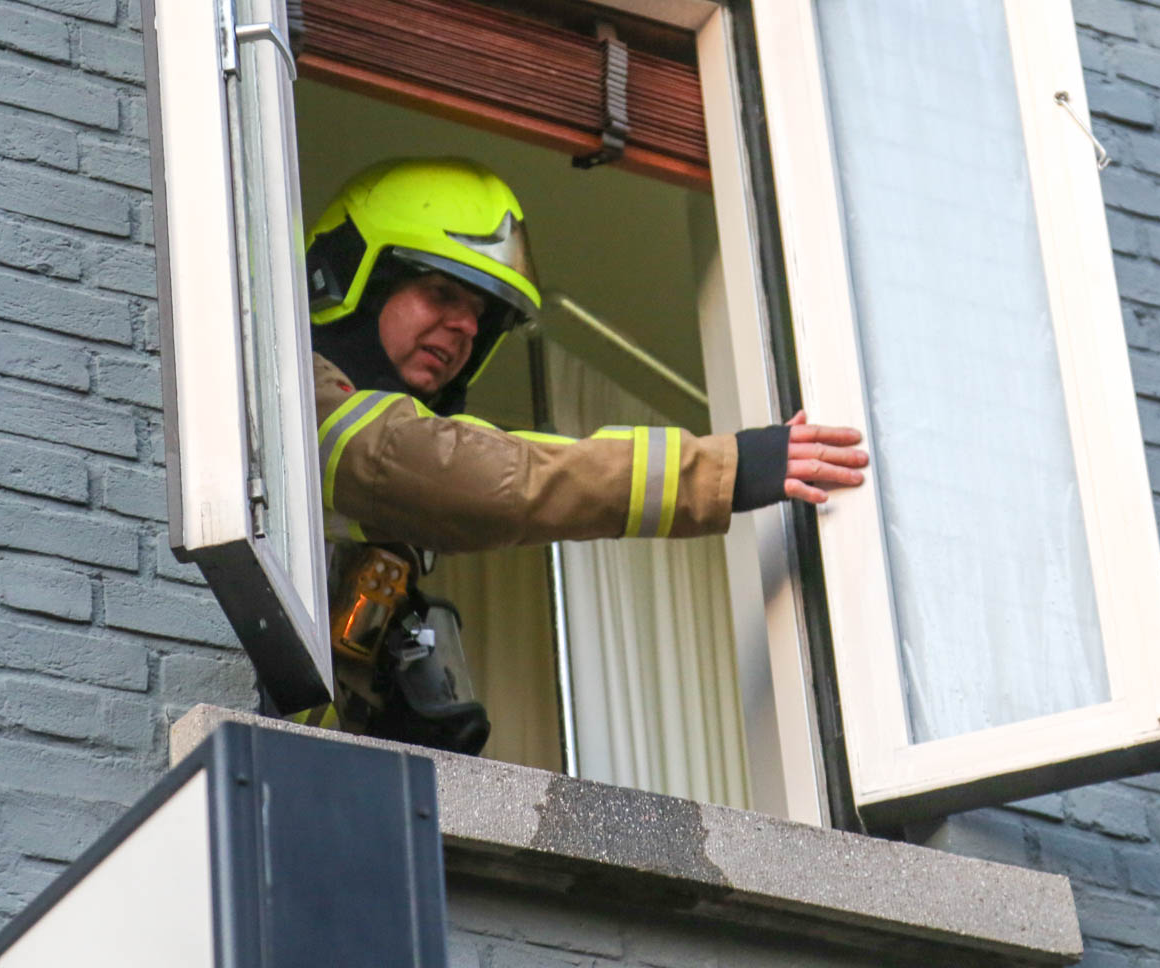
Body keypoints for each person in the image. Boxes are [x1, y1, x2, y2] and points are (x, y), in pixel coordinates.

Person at [296, 157, 867, 742]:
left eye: (480, 316)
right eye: (441, 293)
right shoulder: (294, 399)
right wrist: (727, 470)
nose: (465, 327)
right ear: (353, 278)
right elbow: (481, 478)